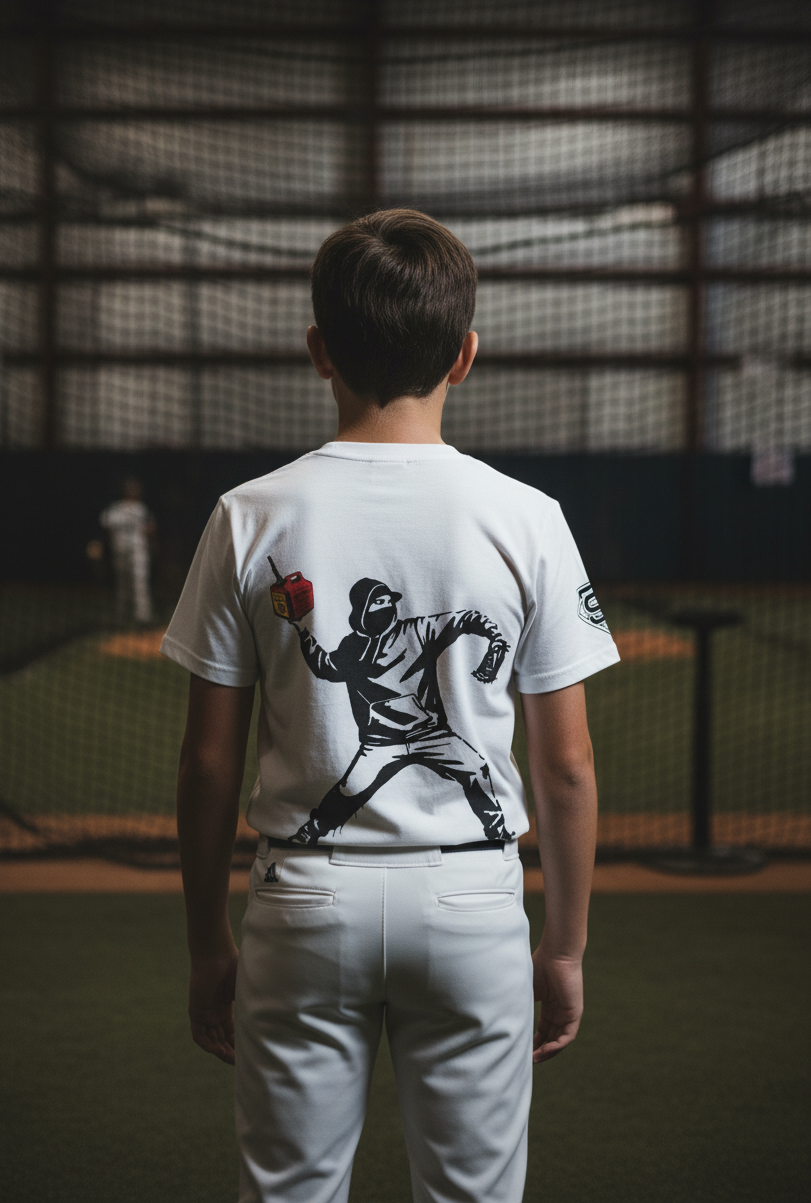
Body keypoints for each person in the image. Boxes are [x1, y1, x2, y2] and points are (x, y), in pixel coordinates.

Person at [161, 209, 620, 1203]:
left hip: (304, 900)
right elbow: (568, 766)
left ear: (318, 350)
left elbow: (207, 764)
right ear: (464, 355)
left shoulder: (249, 514)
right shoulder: (528, 518)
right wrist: (565, 946)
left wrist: (206, 944)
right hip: (470, 901)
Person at [99, 477, 155, 624]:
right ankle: (122, 615)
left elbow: (151, 528)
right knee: (122, 583)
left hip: (138, 550)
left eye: (135, 488)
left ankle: (143, 617)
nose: (132, 491)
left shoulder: (142, 508)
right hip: (119, 550)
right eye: (129, 488)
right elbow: (106, 526)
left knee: (139, 582)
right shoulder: (116, 508)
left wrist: (151, 543)